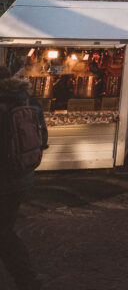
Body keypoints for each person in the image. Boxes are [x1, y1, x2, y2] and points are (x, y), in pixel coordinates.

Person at [0, 65, 48, 289]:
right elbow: (43, 138)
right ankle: (26, 278)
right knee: (5, 228)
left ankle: (26, 279)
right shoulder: (28, 100)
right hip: (22, 176)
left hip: (4, 177)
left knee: (3, 233)